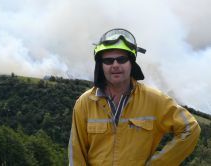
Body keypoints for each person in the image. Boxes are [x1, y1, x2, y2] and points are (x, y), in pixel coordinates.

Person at [68, 28, 201, 165]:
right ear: (100, 65)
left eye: (122, 59)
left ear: (131, 63)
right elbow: (76, 153)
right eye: (108, 61)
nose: (115, 65)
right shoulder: (85, 103)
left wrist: (158, 163)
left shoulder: (153, 99)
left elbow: (190, 128)